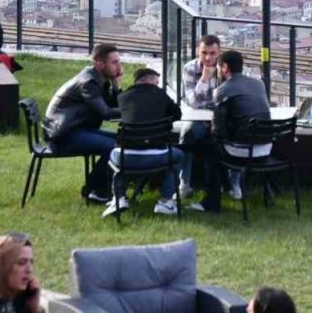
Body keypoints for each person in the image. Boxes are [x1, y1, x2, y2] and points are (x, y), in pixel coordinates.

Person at [43, 43, 123, 203]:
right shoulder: (88, 82)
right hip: (64, 136)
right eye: (114, 63)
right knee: (116, 147)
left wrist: (116, 85)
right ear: (99, 64)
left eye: (119, 62)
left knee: (122, 142)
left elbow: (113, 106)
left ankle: (97, 188)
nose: (119, 67)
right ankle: (96, 190)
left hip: (76, 129)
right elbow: (106, 113)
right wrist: (134, 112)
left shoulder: (98, 78)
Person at [107, 67, 183, 217]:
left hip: (126, 157)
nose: (158, 85)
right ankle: (165, 200)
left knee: (114, 156)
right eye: (157, 82)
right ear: (150, 81)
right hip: (158, 156)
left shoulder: (124, 97)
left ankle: (119, 197)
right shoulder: (161, 95)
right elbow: (177, 114)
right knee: (179, 155)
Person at [201, 49, 270, 211]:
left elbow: (217, 132)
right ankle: (232, 187)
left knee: (210, 149)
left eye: (218, 68)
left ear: (224, 67)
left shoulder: (222, 90)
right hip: (266, 150)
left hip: (243, 153)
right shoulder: (258, 84)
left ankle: (211, 203)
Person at [180, 34, 238, 198]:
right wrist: (204, 79)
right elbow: (193, 102)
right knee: (187, 133)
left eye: (212, 53)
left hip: (221, 118)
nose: (207, 57)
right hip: (199, 117)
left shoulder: (226, 69)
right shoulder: (190, 68)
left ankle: (234, 183)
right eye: (204, 52)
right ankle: (184, 182)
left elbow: (232, 98)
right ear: (198, 51)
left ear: (219, 52)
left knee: (237, 133)